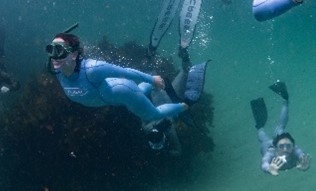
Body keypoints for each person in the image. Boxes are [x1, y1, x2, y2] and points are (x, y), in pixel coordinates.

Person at [46, 32, 208, 124]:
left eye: (58, 50)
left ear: (74, 54)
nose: (53, 56)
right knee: (139, 91)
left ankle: (184, 105)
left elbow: (124, 71)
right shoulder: (57, 70)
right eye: (50, 49)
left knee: (153, 116)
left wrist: (153, 80)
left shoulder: (92, 70)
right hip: (110, 99)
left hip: (124, 92)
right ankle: (149, 84)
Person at [250, 81, 311, 176]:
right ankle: (259, 126)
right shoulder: (271, 153)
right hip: (267, 145)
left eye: (289, 146)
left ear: (293, 146)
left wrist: (306, 166)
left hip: (275, 143)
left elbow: (302, 156)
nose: (285, 149)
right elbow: (264, 162)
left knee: (280, 129)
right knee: (263, 137)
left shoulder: (295, 150)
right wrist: (269, 169)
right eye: (281, 146)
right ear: (275, 148)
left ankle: (285, 99)